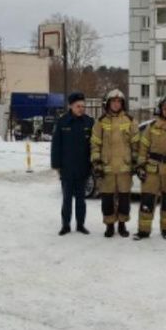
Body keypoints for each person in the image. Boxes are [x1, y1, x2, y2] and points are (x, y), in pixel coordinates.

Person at [134, 96, 166, 240]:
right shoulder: (151, 128)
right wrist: (140, 167)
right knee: (147, 201)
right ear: (160, 110)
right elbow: (143, 148)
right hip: (152, 171)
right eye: (164, 108)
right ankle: (143, 231)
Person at [90, 89, 136, 238]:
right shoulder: (101, 121)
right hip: (106, 167)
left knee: (124, 200)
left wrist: (136, 162)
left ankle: (122, 225)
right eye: (113, 101)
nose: (116, 104)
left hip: (124, 167)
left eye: (119, 101)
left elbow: (136, 143)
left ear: (122, 103)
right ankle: (109, 225)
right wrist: (96, 162)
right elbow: (95, 143)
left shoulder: (129, 120)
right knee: (107, 200)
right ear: (108, 103)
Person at [51, 92, 95, 236]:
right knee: (67, 199)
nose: (81, 109)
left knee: (81, 200)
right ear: (71, 106)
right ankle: (66, 225)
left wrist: (92, 165)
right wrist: (56, 165)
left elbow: (93, 146)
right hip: (67, 168)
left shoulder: (89, 122)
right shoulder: (62, 122)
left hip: (83, 168)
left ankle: (80, 225)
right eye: (78, 106)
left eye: (83, 106)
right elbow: (56, 145)